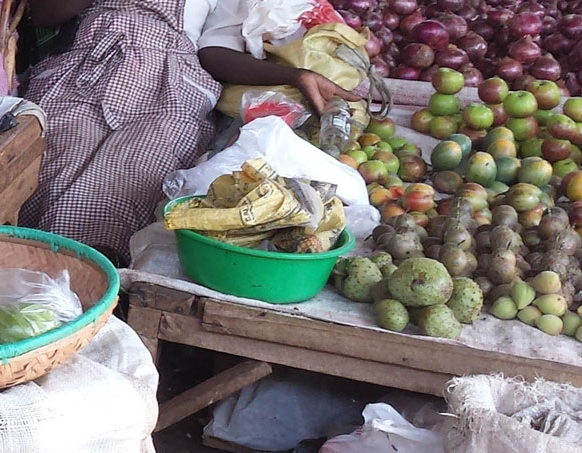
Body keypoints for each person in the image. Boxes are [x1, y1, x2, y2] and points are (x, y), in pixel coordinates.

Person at [20, 0, 358, 265]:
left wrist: (294, 76)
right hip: (84, 69)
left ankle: (97, 282)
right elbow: (44, 13)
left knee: (134, 173)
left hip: (170, 85)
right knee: (51, 158)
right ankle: (24, 265)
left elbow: (213, 51)